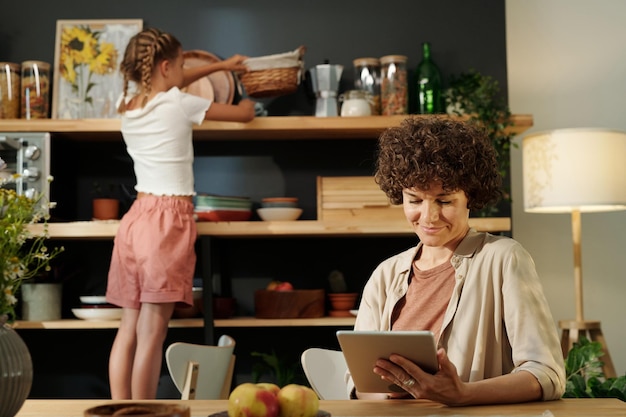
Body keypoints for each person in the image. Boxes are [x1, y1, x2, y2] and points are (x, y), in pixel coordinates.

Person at [349, 116, 565, 405]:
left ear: (470, 197)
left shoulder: (504, 259)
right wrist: (389, 388)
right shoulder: (385, 275)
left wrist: (462, 394)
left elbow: (547, 374)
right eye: (414, 200)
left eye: (444, 201)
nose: (428, 217)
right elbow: (358, 382)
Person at [105, 27, 255, 400]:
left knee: (129, 327)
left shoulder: (127, 102)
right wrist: (244, 85)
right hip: (167, 221)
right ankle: (144, 410)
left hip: (135, 218)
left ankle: (121, 408)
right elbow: (243, 115)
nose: (187, 69)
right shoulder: (179, 103)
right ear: (167, 66)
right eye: (184, 62)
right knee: (154, 331)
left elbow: (175, 79)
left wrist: (219, 65)